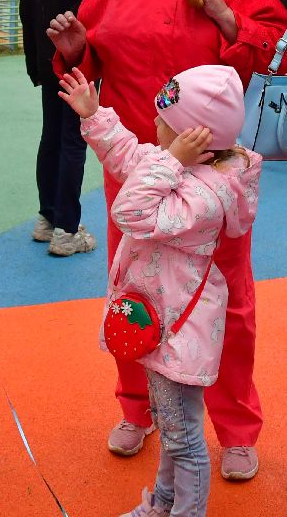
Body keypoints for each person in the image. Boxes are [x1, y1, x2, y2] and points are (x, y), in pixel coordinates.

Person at [47, 0, 287, 481]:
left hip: (212, 170)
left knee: (226, 298)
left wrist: (227, 18)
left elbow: (277, 53)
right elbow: (95, 56)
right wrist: (75, 49)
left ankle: (234, 428)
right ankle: (138, 407)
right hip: (134, 160)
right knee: (132, 289)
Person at [59, 63, 261, 517]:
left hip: (178, 329)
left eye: (164, 123)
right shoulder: (180, 168)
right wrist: (96, 116)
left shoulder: (204, 196)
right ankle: (164, 504)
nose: (152, 125)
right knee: (174, 428)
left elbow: (129, 210)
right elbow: (131, 157)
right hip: (164, 321)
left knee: (183, 438)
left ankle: (184, 511)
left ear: (193, 141)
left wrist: (171, 161)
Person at [19, 0, 94, 256]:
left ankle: (47, 217)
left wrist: (36, 61)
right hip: (76, 62)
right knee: (72, 141)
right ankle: (66, 228)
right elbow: (92, 15)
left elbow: (25, 11)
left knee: (51, 137)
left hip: (48, 62)